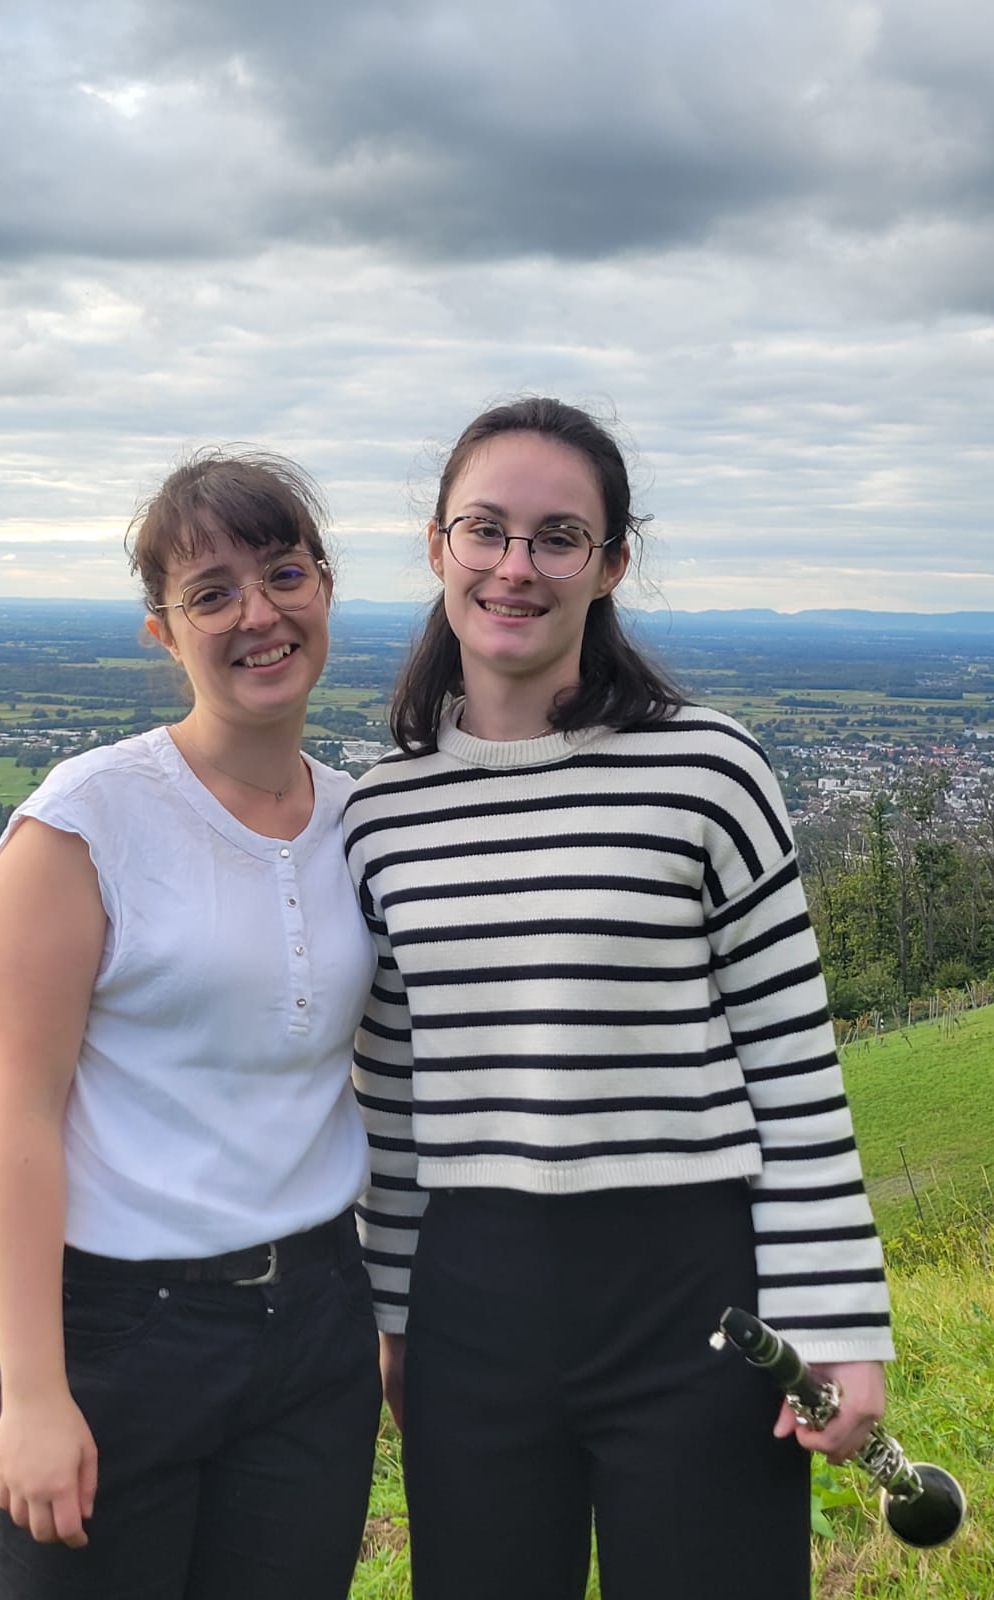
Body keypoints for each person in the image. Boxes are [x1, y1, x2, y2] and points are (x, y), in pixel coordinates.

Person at [343, 398, 893, 1600]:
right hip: (469, 1307)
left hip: (696, 1302)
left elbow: (793, 1068)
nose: (515, 566)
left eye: (559, 537)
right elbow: (389, 1099)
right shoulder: (377, 814)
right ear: (438, 546)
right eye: (484, 530)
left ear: (611, 564)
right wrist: (392, 1316)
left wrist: (842, 1324)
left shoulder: (710, 771)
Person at [0, 450, 381, 1600]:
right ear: (164, 630)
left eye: (285, 573)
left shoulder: (363, 822)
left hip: (314, 1322)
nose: (259, 613)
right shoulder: (82, 825)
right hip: (115, 1331)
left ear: (326, 589)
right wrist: (38, 1394)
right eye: (211, 593)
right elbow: (20, 1119)